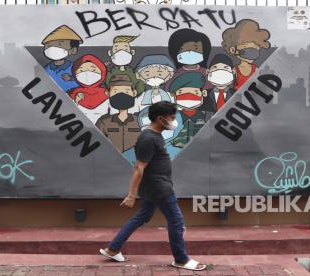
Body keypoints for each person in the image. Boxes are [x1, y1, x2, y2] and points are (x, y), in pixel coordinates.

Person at [99, 101, 206, 272]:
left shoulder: (155, 135)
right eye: (171, 118)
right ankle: (181, 259)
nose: (174, 121)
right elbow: (139, 168)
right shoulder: (148, 138)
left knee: (141, 216)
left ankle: (113, 249)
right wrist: (131, 195)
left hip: (155, 185)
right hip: (159, 187)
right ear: (160, 119)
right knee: (176, 221)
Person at [221, 19, 271, 91]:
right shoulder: (234, 71)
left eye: (257, 48)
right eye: (247, 47)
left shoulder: (256, 71)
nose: (253, 52)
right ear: (233, 50)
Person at [95, 74, 140, 153]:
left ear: (134, 93)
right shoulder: (103, 122)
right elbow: (95, 143)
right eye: (115, 91)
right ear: (108, 94)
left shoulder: (140, 121)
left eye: (126, 91)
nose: (121, 95)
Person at [68, 54, 117, 124]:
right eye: (81, 70)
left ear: (102, 72)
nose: (87, 73)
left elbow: (115, 115)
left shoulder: (107, 93)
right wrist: (76, 101)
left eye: (93, 69)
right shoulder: (72, 94)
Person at [42, 25, 83, 92]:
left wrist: (72, 79)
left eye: (59, 45)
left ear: (73, 50)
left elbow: (84, 82)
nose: (53, 48)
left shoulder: (76, 68)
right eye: (48, 45)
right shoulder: (46, 69)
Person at [202, 54, 235, 121]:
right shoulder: (205, 94)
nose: (220, 72)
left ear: (233, 72)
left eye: (225, 68)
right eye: (215, 68)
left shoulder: (236, 93)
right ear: (208, 72)